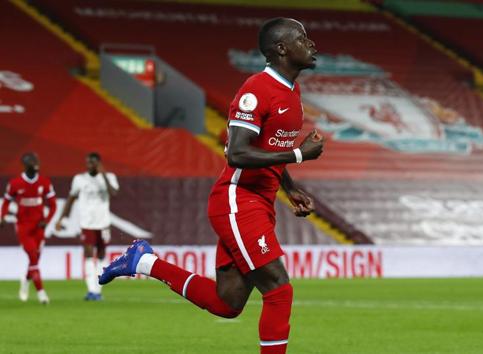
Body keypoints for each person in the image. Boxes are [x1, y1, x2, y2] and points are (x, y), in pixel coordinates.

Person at [99, 17, 324, 353]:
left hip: (259, 203)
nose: (312, 44)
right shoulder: (256, 90)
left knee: (227, 303)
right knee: (279, 289)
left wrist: (288, 188)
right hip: (238, 200)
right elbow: (237, 153)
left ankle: (143, 262)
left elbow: (268, 148)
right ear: (281, 49)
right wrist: (298, 154)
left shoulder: (293, 92)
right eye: (302, 38)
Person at [55, 152, 119, 301]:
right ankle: (91, 290)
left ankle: (98, 289)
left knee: (102, 255)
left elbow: (114, 193)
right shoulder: (79, 179)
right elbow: (70, 199)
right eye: (88, 162)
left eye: (92, 163)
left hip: (103, 224)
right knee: (89, 256)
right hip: (86, 224)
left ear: (99, 163)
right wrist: (61, 219)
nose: (89, 165)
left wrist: (102, 175)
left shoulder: (109, 178)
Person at [0, 152, 57, 304]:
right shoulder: (15, 183)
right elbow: (6, 202)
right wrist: (3, 216)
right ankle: (41, 293)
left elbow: (53, 205)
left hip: (39, 227)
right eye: (33, 161)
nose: (36, 163)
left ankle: (25, 282)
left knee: (35, 260)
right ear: (25, 164)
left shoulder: (44, 182)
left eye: (37, 160)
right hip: (23, 227)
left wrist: (47, 220)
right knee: (33, 256)